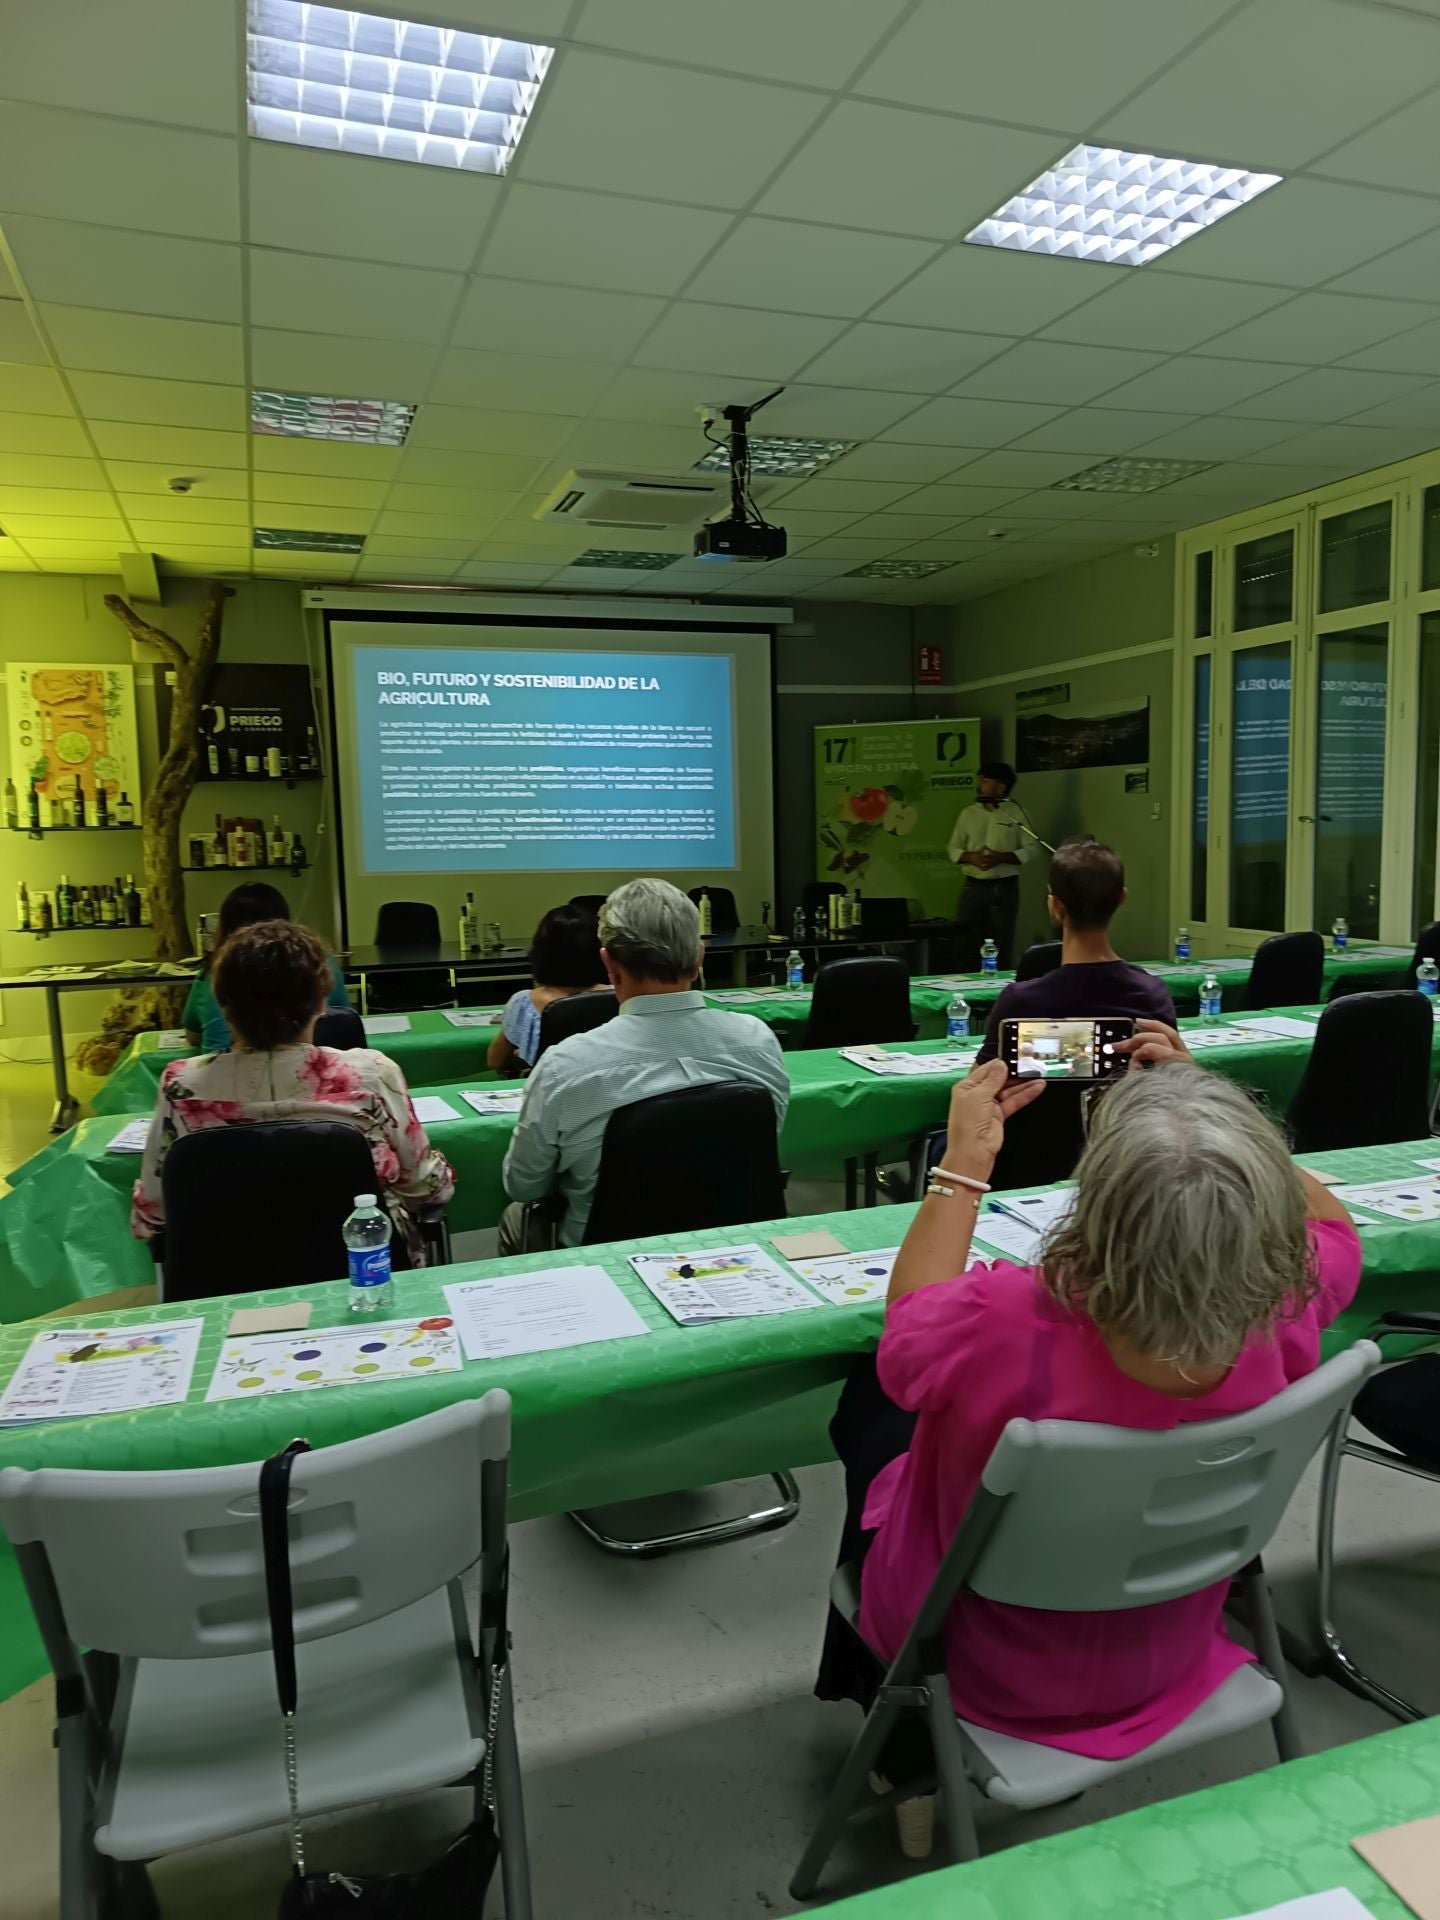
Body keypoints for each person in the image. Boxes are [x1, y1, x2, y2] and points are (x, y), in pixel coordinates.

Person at [817, 1026, 1360, 1857]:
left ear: (1094, 1205)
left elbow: (905, 1340)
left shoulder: (997, 1321)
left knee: (878, 1414)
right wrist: (1209, 1116)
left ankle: (897, 1746)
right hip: (1173, 1641)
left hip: (982, 1666)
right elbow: (1338, 1229)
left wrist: (962, 1164)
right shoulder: (1288, 1298)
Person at [133, 920, 453, 1262]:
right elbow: (424, 1188)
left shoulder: (181, 1088)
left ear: (223, 1006)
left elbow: (153, 1215)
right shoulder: (372, 1075)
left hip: (226, 1291)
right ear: (320, 1002)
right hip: (361, 1281)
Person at [498, 877, 789, 1252]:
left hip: (607, 1257)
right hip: (733, 1246)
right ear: (700, 958)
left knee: (514, 1217)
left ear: (609, 964)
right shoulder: (757, 1040)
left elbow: (524, 1186)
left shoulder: (564, 1066)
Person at [976, 836, 1176, 1063]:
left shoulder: (1019, 1001)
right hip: (1130, 1099)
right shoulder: (1152, 994)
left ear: (1055, 906)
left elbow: (979, 1086)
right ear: (1122, 898)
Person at [183, 882, 349, 1052]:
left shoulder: (213, 973)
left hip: (226, 1071)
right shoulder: (316, 963)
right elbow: (345, 1019)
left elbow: (194, 1035)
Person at [487, 903, 609, 1076]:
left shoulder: (524, 1002)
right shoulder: (616, 996)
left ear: (541, 951)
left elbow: (495, 1060)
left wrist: (522, 1057)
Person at [946, 760, 1035, 970]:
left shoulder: (1016, 813)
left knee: (1001, 942)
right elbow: (952, 848)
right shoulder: (968, 813)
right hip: (973, 886)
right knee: (965, 941)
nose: (980, 785)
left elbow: (1031, 849)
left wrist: (1001, 858)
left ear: (1001, 786)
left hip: (1004, 887)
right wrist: (971, 857)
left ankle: (999, 992)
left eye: (985, 781)